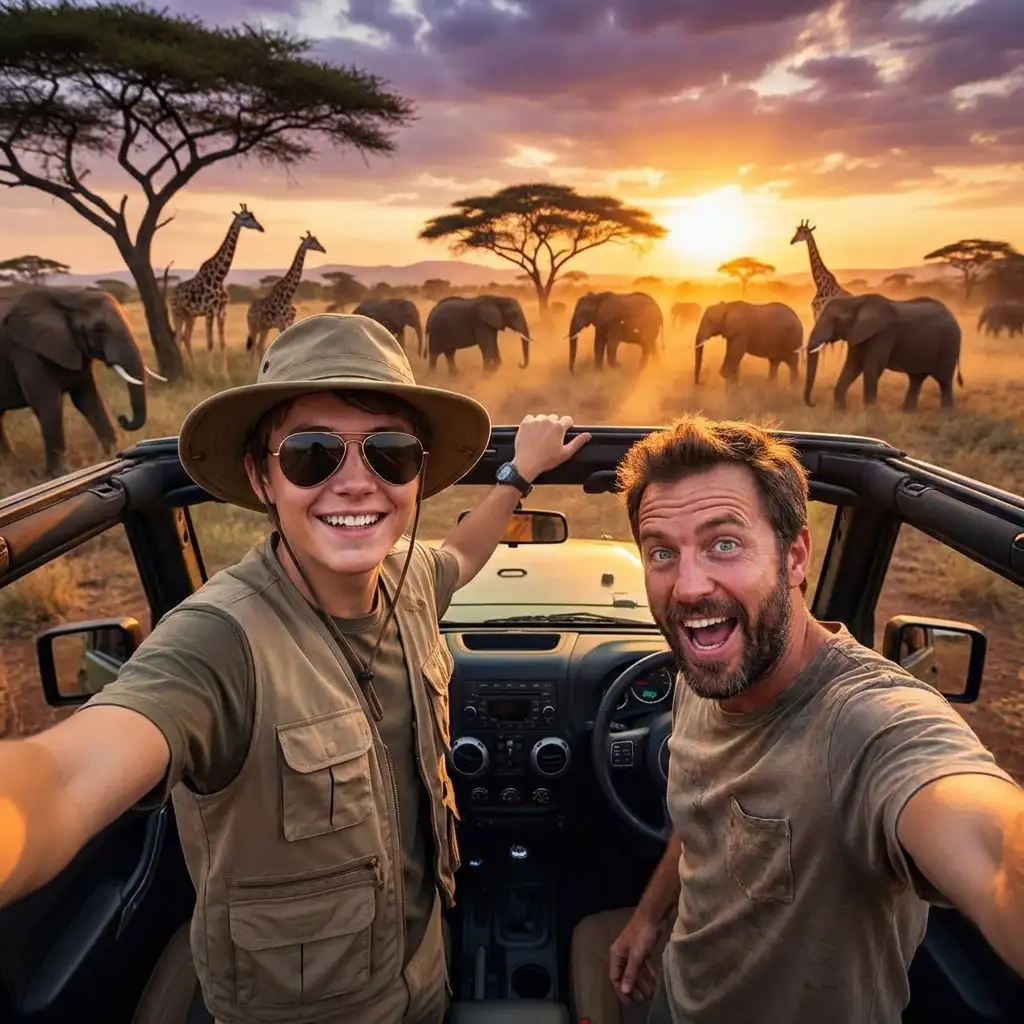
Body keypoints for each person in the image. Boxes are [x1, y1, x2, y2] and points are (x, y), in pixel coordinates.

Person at [0, 313, 591, 1024]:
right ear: (262, 475)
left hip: (423, 971)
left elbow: (460, 554)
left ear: (417, 476)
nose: (355, 483)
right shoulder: (219, 640)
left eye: (390, 453)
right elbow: (67, 777)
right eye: (313, 454)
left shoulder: (407, 580)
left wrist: (518, 474)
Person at [569, 413, 1024, 1024]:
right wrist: (650, 919)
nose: (688, 586)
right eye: (661, 553)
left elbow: (992, 853)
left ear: (796, 556)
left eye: (724, 544)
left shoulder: (868, 723)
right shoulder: (701, 673)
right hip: (678, 994)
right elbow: (703, 815)